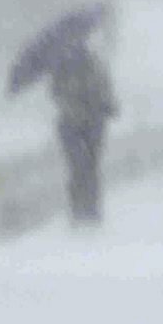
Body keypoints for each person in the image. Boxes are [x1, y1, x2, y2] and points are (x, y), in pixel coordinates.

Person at [49, 40, 118, 225]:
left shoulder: (63, 68)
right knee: (87, 167)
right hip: (88, 125)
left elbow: (56, 94)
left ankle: (81, 210)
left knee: (79, 168)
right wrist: (104, 105)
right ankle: (87, 209)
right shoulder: (92, 67)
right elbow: (105, 93)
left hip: (76, 125)